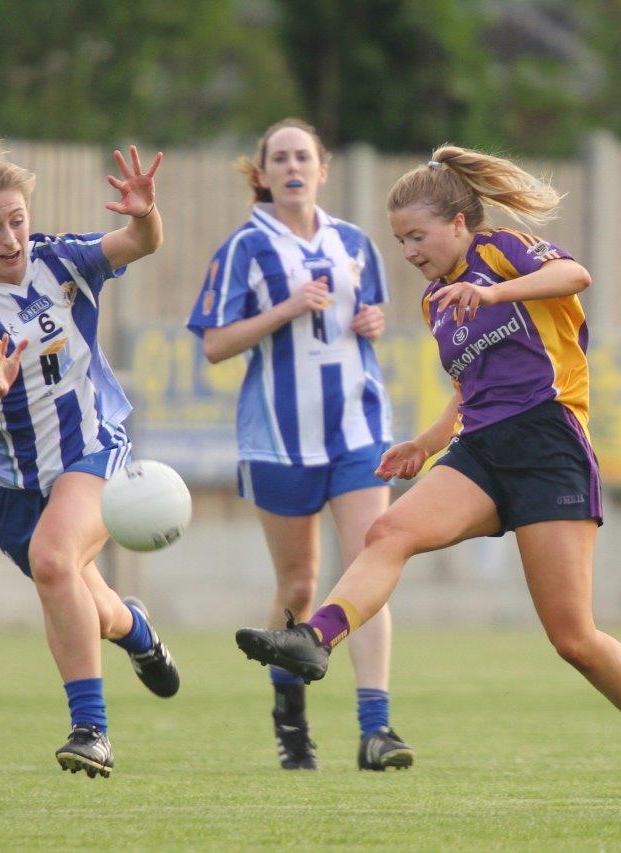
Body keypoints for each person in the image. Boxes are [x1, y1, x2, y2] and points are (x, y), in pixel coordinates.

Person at [234, 145, 621, 812]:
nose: (409, 251)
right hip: (480, 449)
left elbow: (577, 274)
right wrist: (427, 441)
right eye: (400, 241)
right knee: (388, 529)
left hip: (549, 443)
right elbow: (470, 387)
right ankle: (314, 639)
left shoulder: (501, 250)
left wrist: (494, 289)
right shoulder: (434, 302)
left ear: (458, 223)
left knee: (573, 637)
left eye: (417, 236)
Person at [0, 129, 180, 779]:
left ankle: (90, 730)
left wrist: (146, 213)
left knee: (54, 558)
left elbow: (140, 244)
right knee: (80, 592)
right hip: (11, 489)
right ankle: (138, 632)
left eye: (17, 221)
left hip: (90, 449)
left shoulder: (61, 261)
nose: (9, 239)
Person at [186, 118, 414, 772]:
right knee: (300, 582)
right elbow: (214, 343)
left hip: (358, 428)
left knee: (369, 564)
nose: (292, 166)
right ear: (261, 174)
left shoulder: (354, 243)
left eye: (302, 156)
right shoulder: (244, 248)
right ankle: (291, 721)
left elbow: (369, 315)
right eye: (279, 157)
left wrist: (374, 320)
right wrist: (285, 308)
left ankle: (377, 729)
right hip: (280, 438)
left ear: (323, 168)